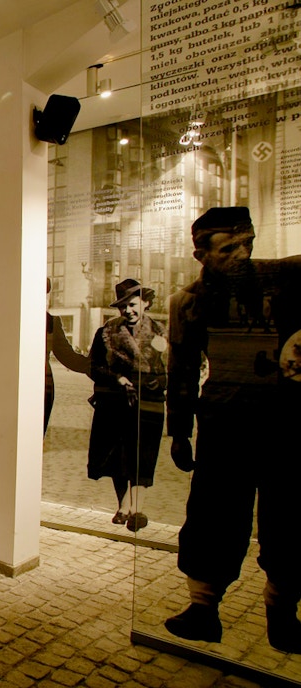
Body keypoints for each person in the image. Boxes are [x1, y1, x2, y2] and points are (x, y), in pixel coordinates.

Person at [163, 206, 301, 653]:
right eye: (228, 248)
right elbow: (181, 369)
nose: (242, 254)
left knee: (290, 520)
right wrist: (180, 430)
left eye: (248, 243)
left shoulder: (284, 278)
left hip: (287, 422)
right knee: (213, 516)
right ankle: (203, 610)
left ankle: (283, 613)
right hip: (223, 424)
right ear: (201, 253)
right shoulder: (188, 302)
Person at [85, 279, 167, 532]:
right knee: (118, 459)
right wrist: (117, 378)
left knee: (142, 456)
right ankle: (123, 506)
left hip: (148, 404)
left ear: (146, 303)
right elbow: (94, 366)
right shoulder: (107, 332)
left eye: (132, 305)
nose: (128, 311)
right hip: (114, 404)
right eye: (123, 307)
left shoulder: (161, 332)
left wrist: (149, 383)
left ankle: (137, 508)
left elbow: (174, 367)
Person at [45, 278, 88, 434]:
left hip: (42, 387)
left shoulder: (50, 322)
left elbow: (68, 356)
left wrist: (99, 367)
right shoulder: (4, 318)